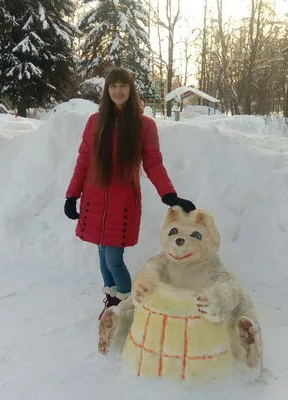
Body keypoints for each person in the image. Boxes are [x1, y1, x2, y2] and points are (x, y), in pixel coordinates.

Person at [64, 67, 196, 319]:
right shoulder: (95, 121)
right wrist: (72, 195)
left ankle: (127, 305)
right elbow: (83, 161)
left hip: (123, 202)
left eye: (123, 85)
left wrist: (169, 195)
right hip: (94, 199)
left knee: (113, 258)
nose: (118, 90)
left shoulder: (144, 125)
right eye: (113, 86)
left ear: (131, 89)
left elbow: (154, 163)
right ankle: (112, 299)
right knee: (103, 256)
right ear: (107, 90)